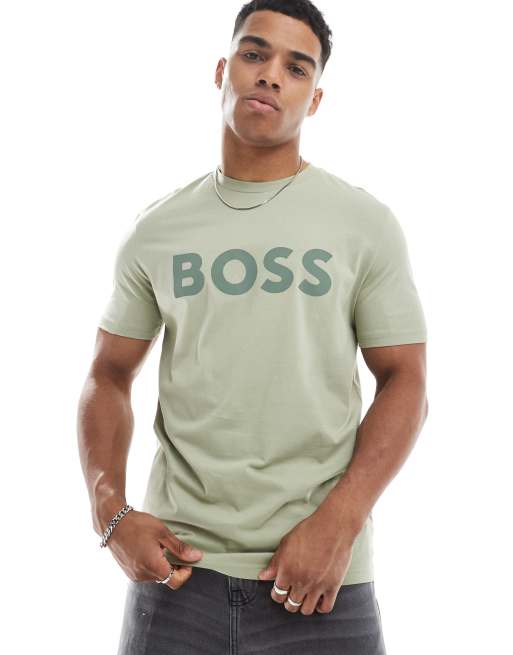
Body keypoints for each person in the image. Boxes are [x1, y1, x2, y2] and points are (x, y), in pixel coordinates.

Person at [77, 1, 428, 653]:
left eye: (296, 67)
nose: (270, 75)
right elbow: (109, 371)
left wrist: (341, 520)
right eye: (254, 53)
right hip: (177, 577)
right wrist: (109, 511)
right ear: (222, 70)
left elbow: (405, 379)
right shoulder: (158, 229)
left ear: (314, 99)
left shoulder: (362, 224)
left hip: (320, 577)